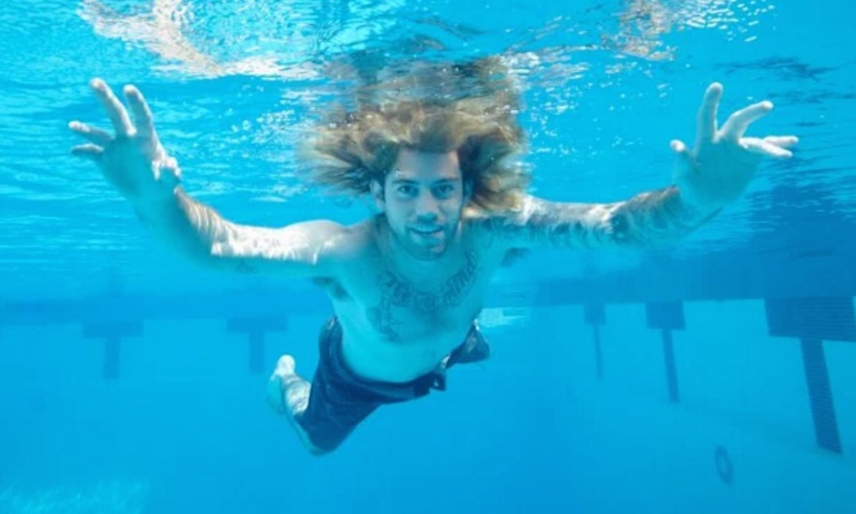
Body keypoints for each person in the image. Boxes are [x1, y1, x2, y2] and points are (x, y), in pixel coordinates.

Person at [68, 59, 797, 454]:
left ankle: (457, 346)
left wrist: (701, 197)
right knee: (316, 444)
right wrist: (155, 199)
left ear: (465, 189)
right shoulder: (343, 252)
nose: (427, 210)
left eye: (443, 189)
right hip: (357, 378)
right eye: (408, 190)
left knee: (469, 339)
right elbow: (219, 246)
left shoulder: (493, 227)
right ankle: (284, 388)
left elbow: (616, 228)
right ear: (377, 193)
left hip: (449, 341)